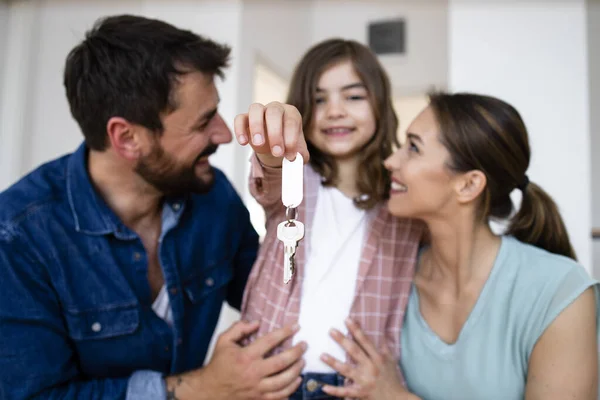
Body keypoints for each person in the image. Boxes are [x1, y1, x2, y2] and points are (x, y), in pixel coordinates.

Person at [0, 14, 308, 400]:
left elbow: (282, 288)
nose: (224, 134)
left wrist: (281, 166)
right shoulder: (17, 238)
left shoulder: (213, 198)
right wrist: (201, 388)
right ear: (127, 138)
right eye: (203, 123)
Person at [315, 92, 600, 400]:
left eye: (413, 148)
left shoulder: (558, 292)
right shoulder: (394, 281)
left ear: (468, 185)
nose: (391, 161)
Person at [234, 38, 423, 398]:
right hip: (272, 377)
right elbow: (268, 176)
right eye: (319, 100)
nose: (334, 111)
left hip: (357, 386)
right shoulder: (295, 178)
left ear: (380, 105)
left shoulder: (402, 200)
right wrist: (273, 142)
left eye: (353, 97)